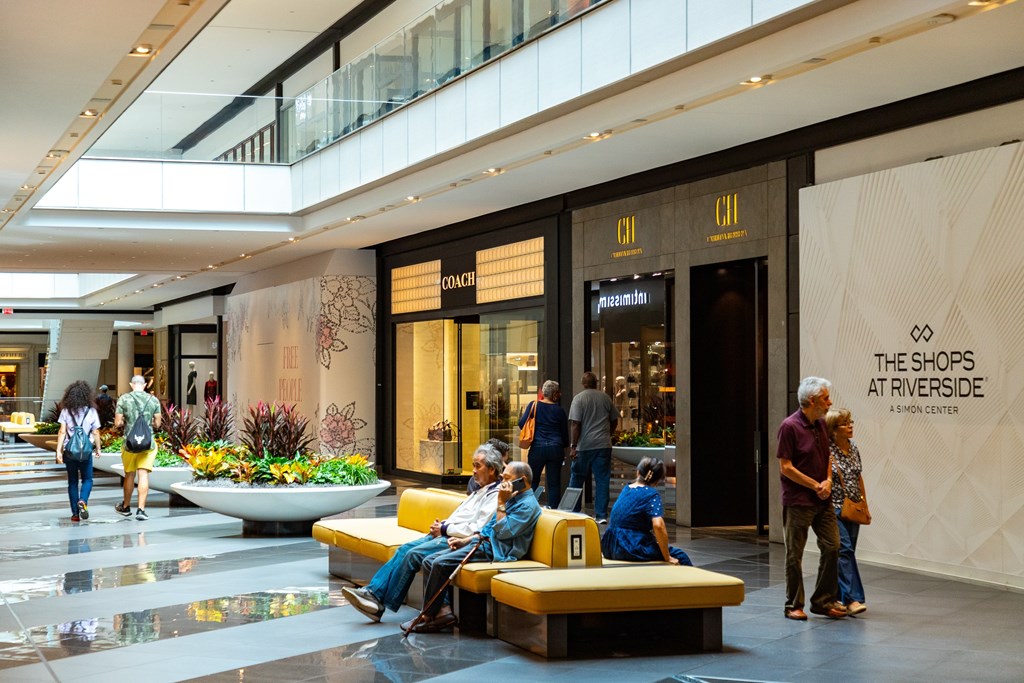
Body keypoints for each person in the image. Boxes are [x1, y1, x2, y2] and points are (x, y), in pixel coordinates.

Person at [341, 444, 504, 622]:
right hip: (445, 534)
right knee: (403, 549)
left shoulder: (496, 495)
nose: (473, 471)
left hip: (456, 540)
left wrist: (443, 529)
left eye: (477, 466)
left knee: (413, 554)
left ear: (492, 469)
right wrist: (442, 525)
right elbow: (463, 517)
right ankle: (373, 594)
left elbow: (475, 528)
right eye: (473, 465)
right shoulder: (480, 491)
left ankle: (378, 602)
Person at [406, 461, 542, 634]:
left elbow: (503, 532)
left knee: (440, 563)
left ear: (522, 480)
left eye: (507, 478)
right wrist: (466, 540)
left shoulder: (528, 505)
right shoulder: (512, 496)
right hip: (482, 543)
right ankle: (440, 613)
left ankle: (426, 616)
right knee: (428, 561)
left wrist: (500, 502)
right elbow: (488, 528)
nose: (502, 483)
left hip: (497, 551)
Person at [778, 376, 845, 620]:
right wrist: (814, 484)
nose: (829, 403)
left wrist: (827, 481)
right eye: (826, 398)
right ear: (813, 400)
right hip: (798, 501)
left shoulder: (822, 425)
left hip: (822, 500)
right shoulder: (789, 426)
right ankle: (793, 605)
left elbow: (827, 457)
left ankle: (823, 601)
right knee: (794, 555)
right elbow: (785, 466)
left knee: (832, 547)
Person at [601, 456, 692, 565]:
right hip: (631, 547)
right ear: (657, 481)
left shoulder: (627, 488)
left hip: (609, 545)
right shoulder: (651, 495)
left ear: (638, 472)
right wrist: (667, 557)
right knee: (680, 556)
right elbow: (658, 525)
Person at [827, 408, 868, 616]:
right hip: (833, 507)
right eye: (845, 423)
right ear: (834, 429)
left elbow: (858, 476)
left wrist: (863, 501)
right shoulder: (827, 450)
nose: (851, 426)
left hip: (852, 507)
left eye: (851, 422)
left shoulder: (853, 448)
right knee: (844, 549)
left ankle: (836, 597)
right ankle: (853, 598)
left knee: (847, 551)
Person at [567, 371, 618, 523]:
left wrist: (573, 446)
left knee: (576, 478)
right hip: (603, 444)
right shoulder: (605, 398)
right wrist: (608, 434)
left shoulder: (579, 399)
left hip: (584, 446)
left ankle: (573, 512)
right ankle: (601, 515)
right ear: (596, 383)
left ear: (583, 384)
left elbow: (576, 424)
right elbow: (615, 419)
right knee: (602, 480)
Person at [114, 375, 161, 521]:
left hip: (129, 444)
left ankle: (126, 506)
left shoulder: (124, 399)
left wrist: (126, 422)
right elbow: (158, 424)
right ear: (145, 385)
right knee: (143, 474)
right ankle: (141, 510)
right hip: (148, 444)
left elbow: (117, 423)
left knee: (129, 474)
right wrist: (147, 425)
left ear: (131, 384)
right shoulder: (153, 400)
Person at [518, 380, 569, 508]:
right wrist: (565, 448)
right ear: (555, 394)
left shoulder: (533, 405)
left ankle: (529, 507)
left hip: (537, 447)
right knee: (554, 482)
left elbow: (521, 423)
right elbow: (564, 434)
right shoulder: (559, 411)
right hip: (555, 448)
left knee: (533, 480)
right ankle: (553, 509)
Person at [54, 380, 101, 522]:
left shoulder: (65, 411)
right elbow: (96, 432)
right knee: (88, 479)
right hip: (86, 452)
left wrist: (58, 451)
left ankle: (75, 514)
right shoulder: (91, 411)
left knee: (73, 482)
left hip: (70, 451)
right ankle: (83, 501)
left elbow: (62, 432)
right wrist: (98, 448)